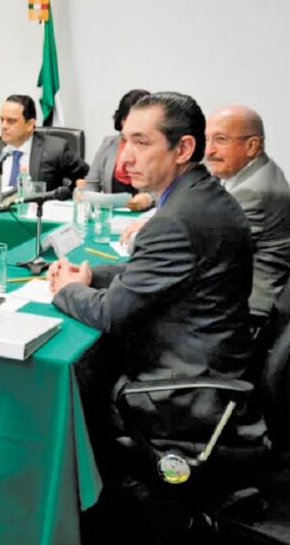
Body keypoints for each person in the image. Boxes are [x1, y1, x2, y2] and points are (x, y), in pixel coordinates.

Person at [48, 92, 254, 442]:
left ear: (184, 149)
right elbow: (155, 272)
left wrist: (67, 290)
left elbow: (111, 315)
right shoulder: (200, 196)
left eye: (141, 143)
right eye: (125, 141)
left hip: (180, 389)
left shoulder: (175, 220)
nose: (125, 158)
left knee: (74, 369)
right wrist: (90, 275)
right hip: (212, 356)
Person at [205, 105, 290, 329]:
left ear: (252, 145)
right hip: (239, 284)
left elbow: (211, 253)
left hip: (247, 304)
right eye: (207, 140)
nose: (209, 151)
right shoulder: (251, 172)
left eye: (220, 139)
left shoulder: (253, 191)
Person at [0, 94, 88, 190]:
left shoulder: (55, 150)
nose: (3, 126)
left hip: (38, 214)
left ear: (29, 125)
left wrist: (67, 197)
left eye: (11, 121)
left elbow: (87, 176)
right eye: (2, 120)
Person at [85, 89, 154, 211]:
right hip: (110, 215)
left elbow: (173, 189)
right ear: (121, 120)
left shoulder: (157, 146)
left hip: (146, 217)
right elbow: (91, 184)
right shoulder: (108, 144)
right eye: (130, 119)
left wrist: (150, 198)